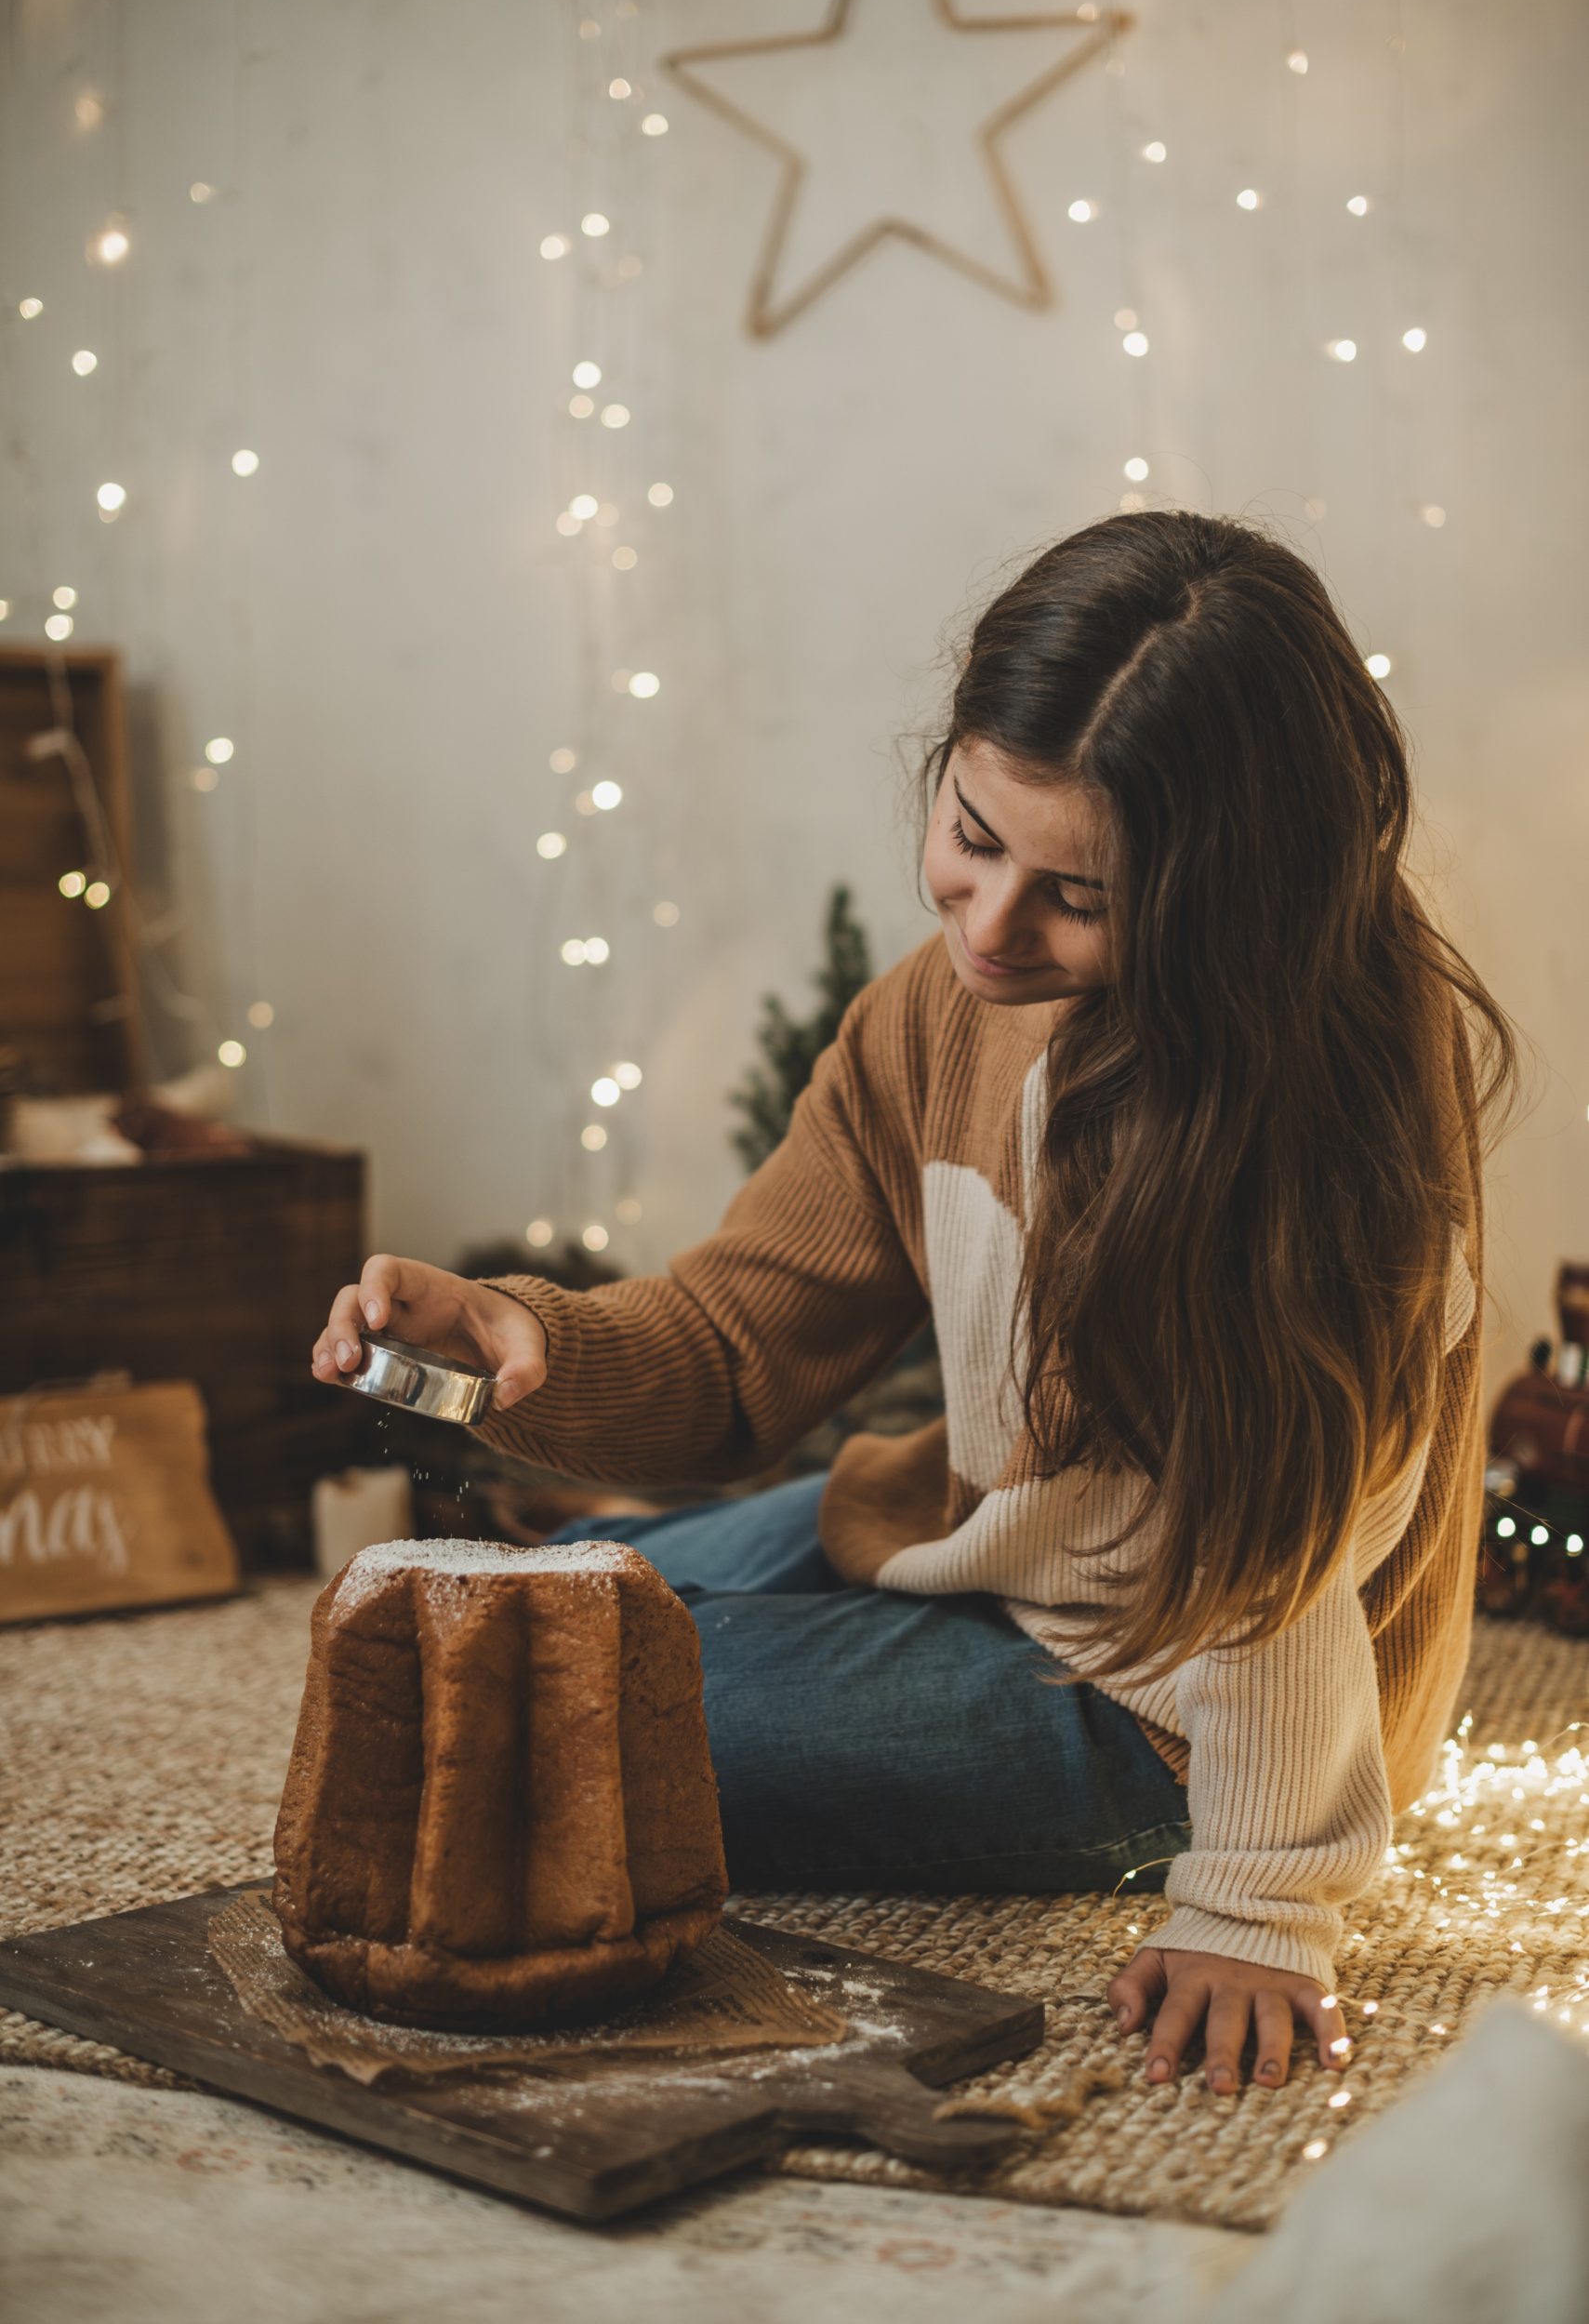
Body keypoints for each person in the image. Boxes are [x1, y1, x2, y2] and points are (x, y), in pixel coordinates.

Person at [311, 510, 1524, 2096]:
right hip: (999, 1539)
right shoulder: (940, 1012)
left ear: (1233, 900)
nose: (987, 927)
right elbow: (744, 1340)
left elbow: (1269, 1568)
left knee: (550, 1736)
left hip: (1183, 1700)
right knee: (486, 1633)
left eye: (1078, 895)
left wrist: (1257, 1902)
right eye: (971, 831)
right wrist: (529, 1337)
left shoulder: (1310, 1113)